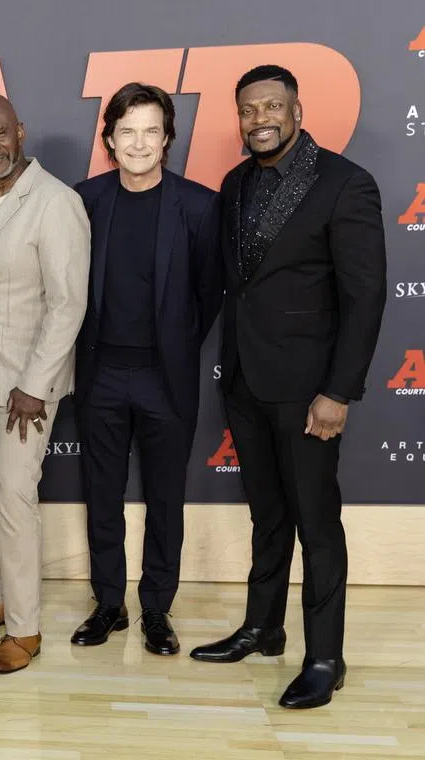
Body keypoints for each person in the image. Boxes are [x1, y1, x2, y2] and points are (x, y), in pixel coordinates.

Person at [190, 65, 386, 709]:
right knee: (268, 515)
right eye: (248, 109)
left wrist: (339, 392)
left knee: (317, 525)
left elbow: (364, 298)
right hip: (246, 379)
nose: (260, 118)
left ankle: (326, 657)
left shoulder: (345, 184)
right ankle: (262, 627)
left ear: (298, 110)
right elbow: (228, 283)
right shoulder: (236, 182)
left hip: (309, 394)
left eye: (273, 106)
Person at [70, 83, 222, 656]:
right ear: (109, 139)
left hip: (166, 379)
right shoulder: (83, 201)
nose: (139, 143)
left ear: (168, 139)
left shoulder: (200, 206)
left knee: (166, 498)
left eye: (151, 131)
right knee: (101, 495)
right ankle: (109, 603)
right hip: (100, 374)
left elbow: (210, 295)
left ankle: (157, 608)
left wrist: (176, 347)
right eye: (127, 131)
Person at [0, 94, 90, 673]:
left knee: (14, 495)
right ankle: (0, 596)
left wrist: (35, 383)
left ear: (20, 132)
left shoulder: (56, 203)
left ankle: (25, 629)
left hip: (23, 389)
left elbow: (67, 303)